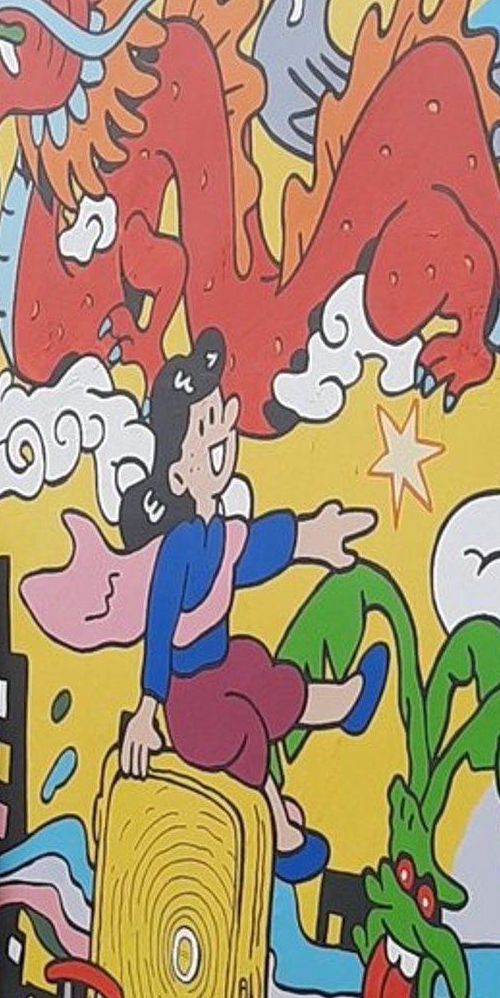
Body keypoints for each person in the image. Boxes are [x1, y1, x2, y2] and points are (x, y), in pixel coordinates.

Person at [117, 329, 386, 879]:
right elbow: (160, 625)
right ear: (177, 472)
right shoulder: (183, 546)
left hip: (221, 666)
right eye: (204, 428)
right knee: (243, 728)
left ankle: (344, 705)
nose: (221, 431)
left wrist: (314, 536)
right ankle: (280, 835)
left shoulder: (220, 531)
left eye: (219, 417)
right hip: (190, 703)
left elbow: (260, 548)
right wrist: (147, 710)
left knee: (263, 675)